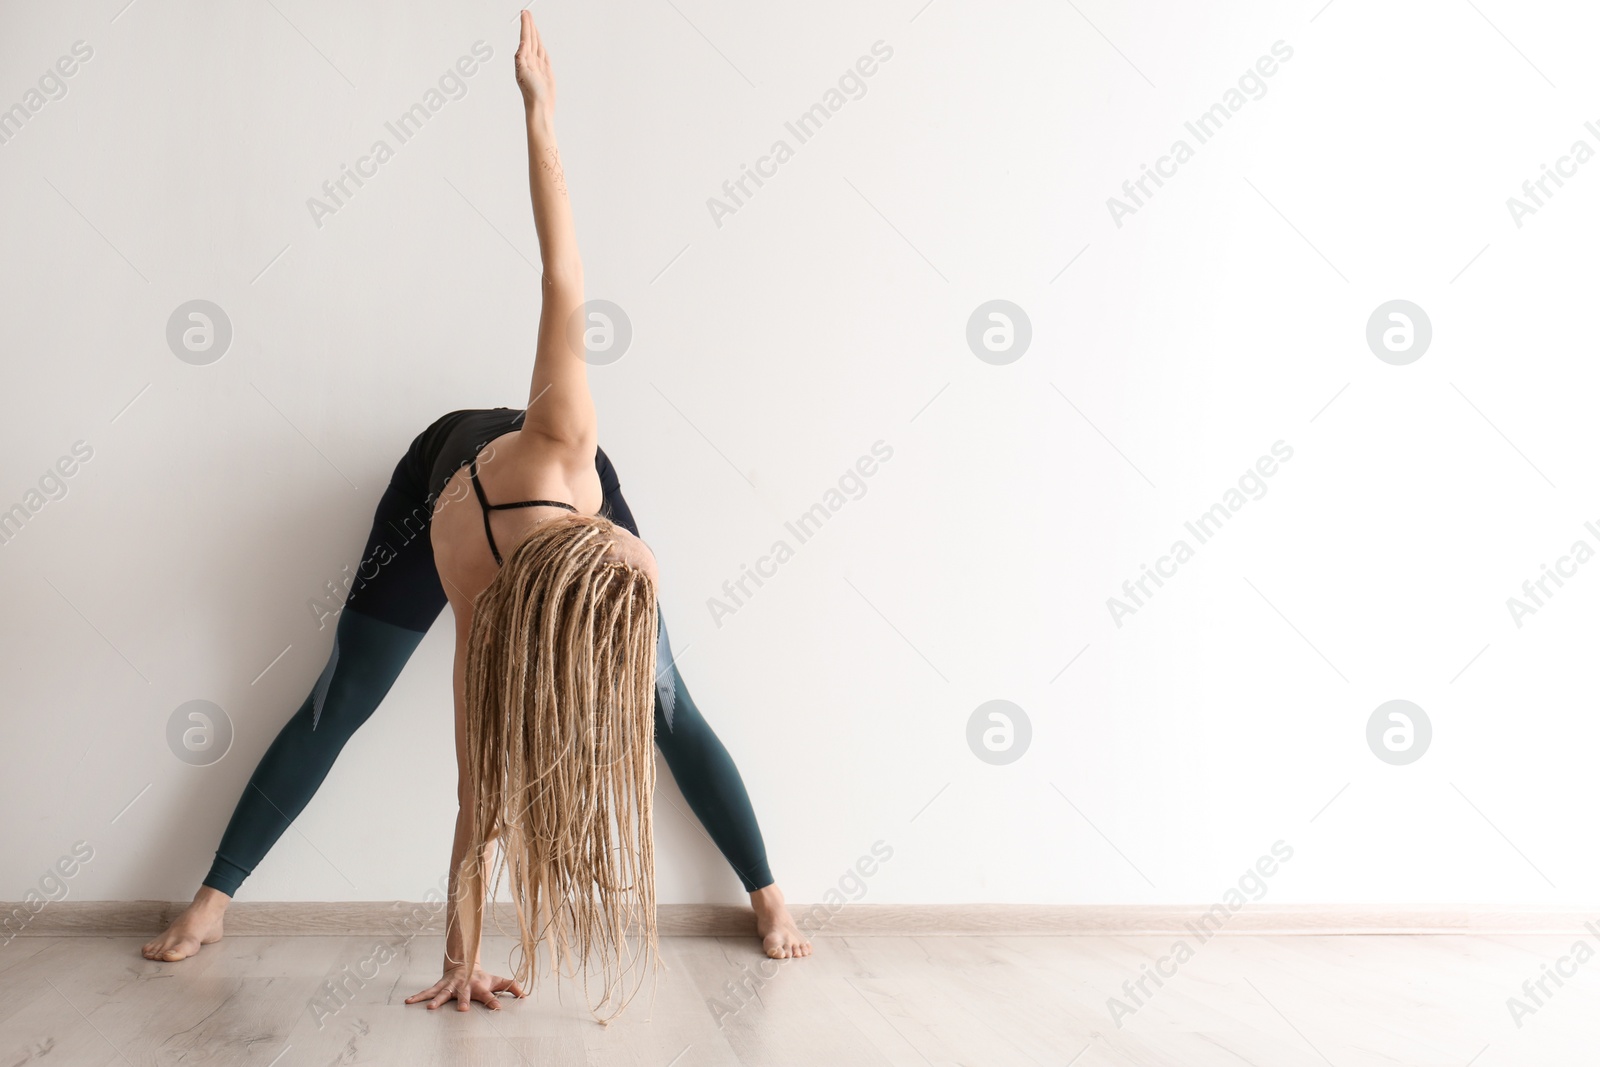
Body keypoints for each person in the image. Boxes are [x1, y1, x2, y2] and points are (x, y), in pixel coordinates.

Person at [141, 11, 810, 1016]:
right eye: (636, 559)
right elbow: (477, 797)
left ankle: (767, 892)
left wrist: (541, 112)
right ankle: (211, 900)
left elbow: (565, 273)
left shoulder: (585, 464)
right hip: (441, 482)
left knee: (665, 699)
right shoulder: (493, 548)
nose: (641, 552)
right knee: (346, 691)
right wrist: (461, 956)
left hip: (544, 509)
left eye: (630, 558)